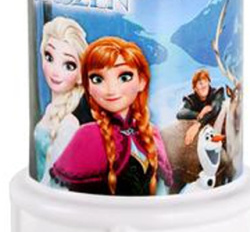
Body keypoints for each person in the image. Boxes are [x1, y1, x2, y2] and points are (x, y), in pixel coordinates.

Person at [50, 37, 172, 196]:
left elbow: (162, 190)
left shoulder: (151, 133)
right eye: (97, 79)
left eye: (124, 77)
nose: (111, 89)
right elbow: (59, 191)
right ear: (88, 88)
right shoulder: (86, 135)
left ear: (142, 81)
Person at [32, 17, 91, 183]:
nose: (55, 72)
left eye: (69, 65)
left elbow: (56, 180)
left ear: (80, 75)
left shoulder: (70, 123)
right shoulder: (51, 109)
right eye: (49, 57)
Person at [176, 69, 225, 145]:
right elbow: (180, 113)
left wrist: (198, 124)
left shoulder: (217, 93)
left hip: (221, 134)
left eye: (206, 82)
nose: (204, 86)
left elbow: (215, 109)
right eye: (200, 83)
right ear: (194, 88)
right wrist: (199, 114)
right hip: (203, 139)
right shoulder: (190, 99)